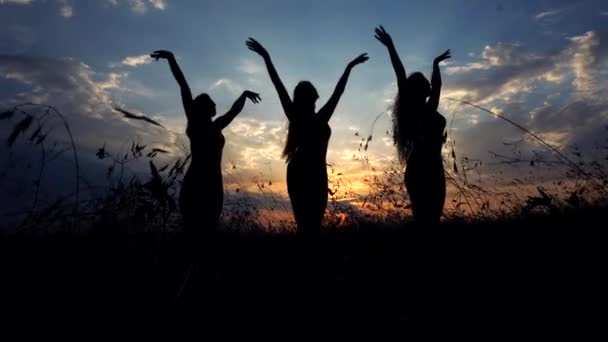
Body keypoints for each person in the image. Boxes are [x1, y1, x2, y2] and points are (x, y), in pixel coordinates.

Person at [246, 38, 368, 238]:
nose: (315, 102)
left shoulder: (319, 117)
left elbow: (339, 92)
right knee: (306, 227)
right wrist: (266, 57)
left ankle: (308, 263)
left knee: (313, 228)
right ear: (306, 99)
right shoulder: (298, 116)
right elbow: (277, 83)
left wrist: (350, 67)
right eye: (312, 99)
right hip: (301, 173)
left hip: (318, 174)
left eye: (315, 99)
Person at [374, 26, 451, 225]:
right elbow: (400, 73)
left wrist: (435, 65)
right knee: (425, 221)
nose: (429, 83)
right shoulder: (413, 110)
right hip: (421, 168)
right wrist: (391, 46)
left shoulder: (430, 108)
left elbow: (437, 88)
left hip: (435, 167)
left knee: (432, 220)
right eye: (425, 81)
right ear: (417, 89)